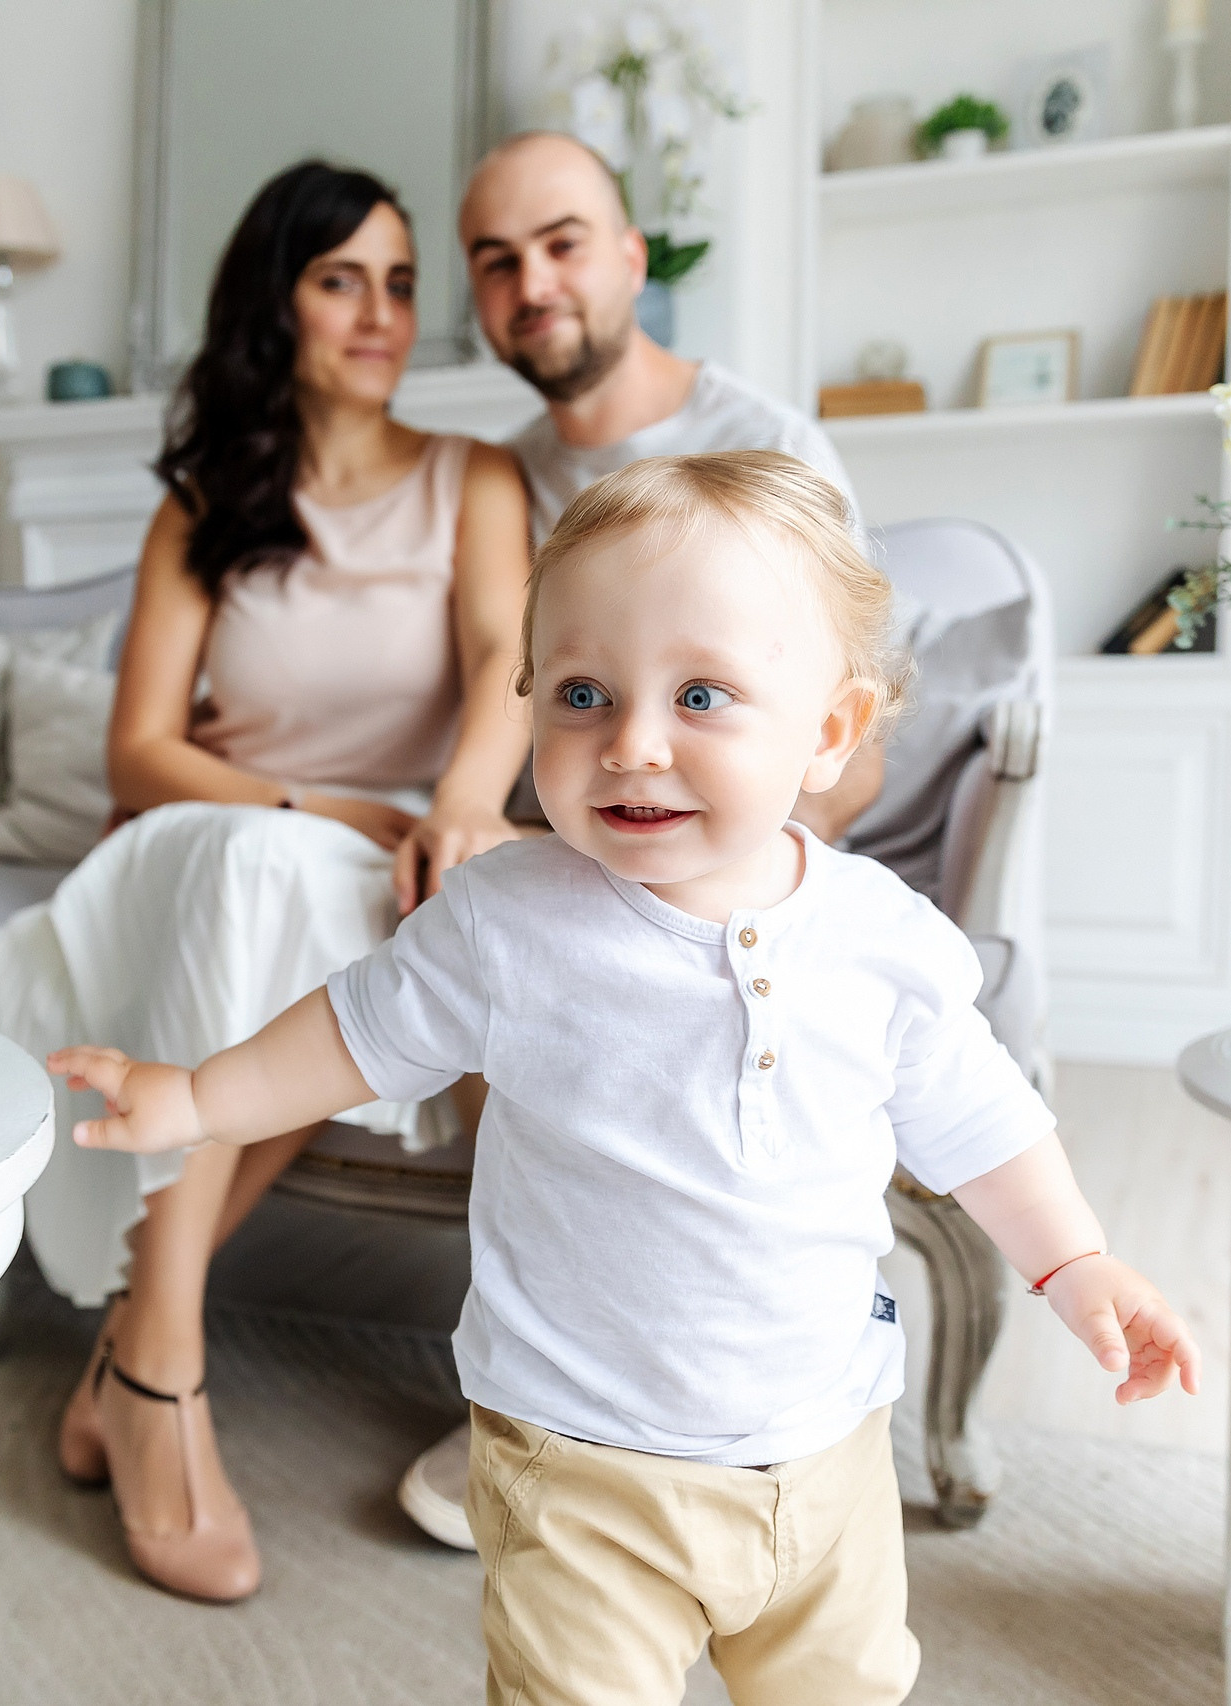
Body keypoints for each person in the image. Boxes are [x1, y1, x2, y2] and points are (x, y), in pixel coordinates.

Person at [48, 452, 1200, 1706]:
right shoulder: (508, 919)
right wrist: (198, 1098)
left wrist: (1075, 1259)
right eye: (583, 693)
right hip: (579, 1460)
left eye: (701, 694)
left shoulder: (882, 936)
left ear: (830, 732)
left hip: (827, 1448)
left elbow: (978, 1117)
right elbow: (348, 1031)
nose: (632, 744)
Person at [0, 160, 532, 1603]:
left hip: (382, 855)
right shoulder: (204, 503)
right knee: (270, 873)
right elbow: (140, 751)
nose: (384, 313)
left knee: (342, 908)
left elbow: (512, 662)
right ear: (279, 303)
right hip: (204, 839)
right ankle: (166, 1365)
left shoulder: (477, 478)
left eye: (401, 281)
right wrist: (310, 798)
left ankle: (139, 1350)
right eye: (344, 279)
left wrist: (456, 804)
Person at [388, 126, 892, 1550]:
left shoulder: (768, 444)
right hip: (562, 844)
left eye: (559, 244)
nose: (531, 283)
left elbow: (843, 721)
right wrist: (475, 817)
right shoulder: (499, 479)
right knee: (513, 923)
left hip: (749, 843)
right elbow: (502, 681)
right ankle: (548, 1384)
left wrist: (732, 863)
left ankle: (744, 1386)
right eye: (496, 263)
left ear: (628, 258)